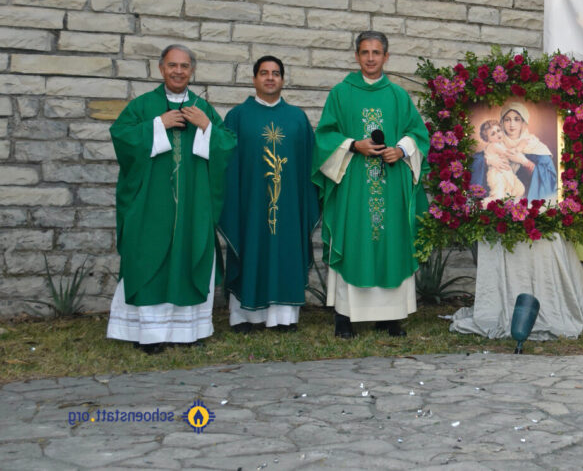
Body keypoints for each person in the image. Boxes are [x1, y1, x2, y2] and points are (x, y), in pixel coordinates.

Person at [107, 44, 236, 353]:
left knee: (190, 255)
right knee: (147, 258)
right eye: (172, 65)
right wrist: (157, 125)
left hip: (193, 207)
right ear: (161, 68)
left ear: (192, 71)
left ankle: (188, 333)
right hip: (150, 205)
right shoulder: (142, 106)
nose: (178, 71)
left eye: (184, 66)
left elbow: (227, 146)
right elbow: (121, 138)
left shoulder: (202, 109)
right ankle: (149, 335)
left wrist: (206, 127)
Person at [313, 31, 429, 338]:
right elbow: (324, 137)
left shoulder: (398, 96)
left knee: (391, 241)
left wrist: (401, 150)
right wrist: (353, 145)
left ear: (386, 57)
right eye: (364, 52)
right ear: (356, 56)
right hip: (353, 186)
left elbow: (418, 134)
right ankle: (344, 316)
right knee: (353, 240)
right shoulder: (341, 93)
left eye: (376, 53)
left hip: (390, 185)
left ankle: (391, 317)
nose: (370, 58)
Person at [218, 56, 320, 334]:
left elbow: (310, 166)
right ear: (254, 79)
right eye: (264, 73)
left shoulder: (297, 119)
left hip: (289, 207)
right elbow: (226, 164)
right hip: (250, 206)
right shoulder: (237, 117)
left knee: (286, 250)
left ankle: (284, 319)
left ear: (283, 79)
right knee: (250, 249)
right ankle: (244, 318)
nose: (270, 78)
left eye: (276, 73)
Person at [471, 102, 558, 203]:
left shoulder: (533, 144)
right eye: (507, 120)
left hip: (527, 200)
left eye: (517, 119)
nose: (512, 124)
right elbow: (475, 162)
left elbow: (550, 177)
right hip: (501, 191)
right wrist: (488, 161)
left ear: (523, 122)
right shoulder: (496, 142)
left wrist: (525, 162)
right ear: (502, 122)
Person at [478, 119, 525, 205]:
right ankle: (481, 205)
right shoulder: (493, 145)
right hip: (497, 175)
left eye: (498, 130)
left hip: (506, 173)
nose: (497, 134)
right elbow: (509, 153)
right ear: (488, 139)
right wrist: (520, 146)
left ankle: (507, 208)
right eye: (493, 134)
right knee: (498, 197)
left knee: (519, 190)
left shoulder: (500, 144)